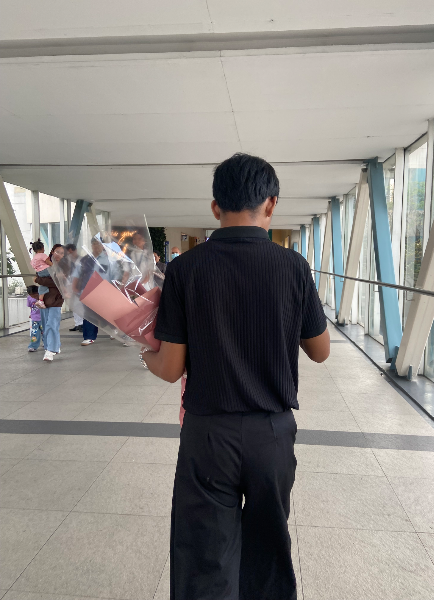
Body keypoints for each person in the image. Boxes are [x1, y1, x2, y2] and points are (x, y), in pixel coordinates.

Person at [141, 153, 330, 600]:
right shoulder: (293, 266)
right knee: (268, 551)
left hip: (208, 435)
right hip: (272, 434)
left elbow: (170, 369)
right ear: (271, 204)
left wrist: (144, 355)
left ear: (215, 207)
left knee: (204, 558)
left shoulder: (185, 269)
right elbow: (320, 351)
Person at [72, 237, 111, 346]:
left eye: (98, 244)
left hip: (105, 290)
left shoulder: (109, 259)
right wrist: (74, 288)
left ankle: (114, 330)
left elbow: (115, 274)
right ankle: (89, 336)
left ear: (103, 245)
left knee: (109, 312)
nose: (96, 246)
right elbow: (77, 274)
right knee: (89, 313)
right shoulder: (85, 259)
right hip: (88, 290)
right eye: (94, 244)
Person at [35, 244, 65, 362]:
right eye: (57, 252)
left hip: (56, 299)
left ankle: (50, 350)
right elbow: (39, 277)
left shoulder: (64, 267)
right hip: (44, 300)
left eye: (62, 253)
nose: (59, 255)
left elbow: (58, 282)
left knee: (51, 324)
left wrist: (40, 280)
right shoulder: (44, 264)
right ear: (52, 252)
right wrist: (42, 280)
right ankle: (54, 346)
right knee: (46, 324)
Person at [29, 239, 52, 309]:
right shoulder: (42, 255)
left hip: (40, 273)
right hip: (46, 270)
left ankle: (40, 300)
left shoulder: (34, 258)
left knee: (43, 285)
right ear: (42, 248)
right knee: (59, 275)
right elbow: (48, 262)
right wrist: (54, 267)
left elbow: (33, 266)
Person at [65, 243, 83, 332]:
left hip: (80, 285)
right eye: (68, 253)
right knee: (74, 305)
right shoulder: (69, 261)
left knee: (80, 305)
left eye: (71, 252)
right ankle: (77, 323)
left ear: (75, 251)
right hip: (71, 285)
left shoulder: (82, 260)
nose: (70, 255)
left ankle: (82, 323)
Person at [26, 285, 44, 352]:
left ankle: (46, 344)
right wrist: (31, 314)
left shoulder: (42, 297)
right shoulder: (29, 298)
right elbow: (30, 306)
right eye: (31, 295)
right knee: (34, 333)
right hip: (34, 318)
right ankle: (33, 346)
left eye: (35, 295)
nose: (33, 297)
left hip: (42, 318)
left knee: (44, 332)